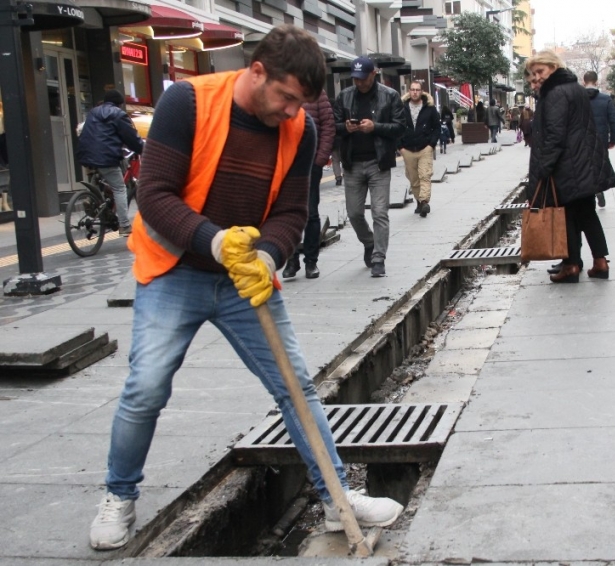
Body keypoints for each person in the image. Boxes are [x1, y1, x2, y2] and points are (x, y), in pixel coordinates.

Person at [88, 26, 404, 551]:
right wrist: (214, 243)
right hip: (175, 267)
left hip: (246, 277)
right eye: (285, 98)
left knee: (294, 385)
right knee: (146, 387)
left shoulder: (298, 128)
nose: (290, 113)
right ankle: (119, 495)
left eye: (300, 104)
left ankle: (336, 498)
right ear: (256, 71)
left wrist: (267, 255)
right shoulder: (188, 102)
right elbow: (154, 197)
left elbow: (292, 211)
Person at [525, 51, 615, 284]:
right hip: (583, 162)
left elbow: (555, 135)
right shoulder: (574, 87)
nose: (537, 77)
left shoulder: (556, 93)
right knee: (587, 214)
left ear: (554, 67)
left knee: (566, 216)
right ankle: (600, 261)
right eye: (533, 73)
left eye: (541, 71)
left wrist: (543, 170)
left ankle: (571, 265)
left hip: (568, 165)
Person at [333, 56, 405, 278]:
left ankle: (378, 258)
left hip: (378, 162)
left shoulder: (390, 95)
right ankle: (369, 242)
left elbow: (400, 127)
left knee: (379, 212)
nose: (359, 83)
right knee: (354, 213)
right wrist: (345, 127)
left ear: (373, 74)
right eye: (355, 79)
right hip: (352, 163)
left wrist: (375, 127)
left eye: (363, 78)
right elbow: (333, 125)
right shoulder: (344, 96)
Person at [76, 89, 144, 236]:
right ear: (119, 104)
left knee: (100, 174)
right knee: (120, 188)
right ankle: (124, 225)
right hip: (105, 156)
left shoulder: (94, 112)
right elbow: (130, 136)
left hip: (86, 154)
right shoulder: (118, 114)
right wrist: (141, 148)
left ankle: (91, 198)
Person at [282, 89, 335, 280]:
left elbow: (329, 126)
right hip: (286, 162)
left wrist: (320, 159)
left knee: (311, 212)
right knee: (288, 212)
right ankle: (292, 259)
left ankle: (311, 261)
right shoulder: (281, 90)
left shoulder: (317, 94)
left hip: (311, 162)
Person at [400, 81, 440, 218]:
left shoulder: (430, 108)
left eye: (417, 90)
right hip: (408, 149)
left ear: (421, 92)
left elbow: (437, 128)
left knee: (425, 175)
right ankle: (418, 200)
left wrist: (431, 145)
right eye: (412, 89)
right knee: (413, 178)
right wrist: (400, 147)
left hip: (425, 148)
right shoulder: (401, 108)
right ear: (409, 91)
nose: (415, 92)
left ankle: (424, 202)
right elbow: (396, 128)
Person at [583, 70, 615, 209]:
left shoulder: (579, 99)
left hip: (583, 139)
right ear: (596, 81)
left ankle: (590, 193)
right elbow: (614, 121)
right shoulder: (606, 99)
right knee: (599, 165)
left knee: (585, 167)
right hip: (601, 138)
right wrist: (613, 139)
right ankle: (599, 189)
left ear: (583, 81)